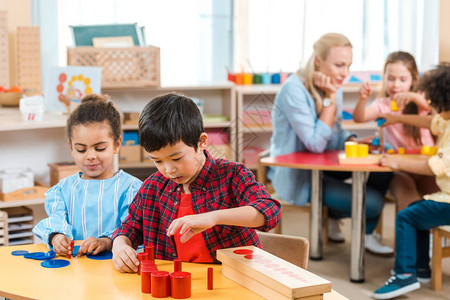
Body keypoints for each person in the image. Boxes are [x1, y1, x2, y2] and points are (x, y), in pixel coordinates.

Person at [111, 93, 281, 273]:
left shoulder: (232, 175)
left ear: (201, 142)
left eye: (176, 158)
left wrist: (214, 217)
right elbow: (130, 227)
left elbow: (270, 211)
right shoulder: (153, 187)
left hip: (233, 280)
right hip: (176, 285)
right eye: (158, 161)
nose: (169, 170)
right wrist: (120, 245)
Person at [268, 32, 393, 255]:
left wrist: (353, 141)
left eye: (348, 66)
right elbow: (315, 143)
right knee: (372, 203)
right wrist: (330, 99)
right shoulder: (293, 90)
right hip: (299, 176)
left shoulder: (333, 87)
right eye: (339, 65)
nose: (344, 73)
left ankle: (358, 228)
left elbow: (333, 135)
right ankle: (337, 215)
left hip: (324, 166)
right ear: (318, 60)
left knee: (383, 171)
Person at [374, 64, 450, 299]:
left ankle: (404, 275)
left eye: (436, 106)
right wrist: (395, 118)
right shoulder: (447, 119)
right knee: (417, 210)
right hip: (445, 198)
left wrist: (397, 163)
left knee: (406, 216)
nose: (435, 112)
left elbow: (432, 166)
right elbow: (431, 122)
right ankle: (420, 268)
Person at [33, 94, 142, 257]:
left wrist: (106, 241)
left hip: (116, 269)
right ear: (71, 147)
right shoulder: (63, 190)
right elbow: (57, 220)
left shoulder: (131, 188)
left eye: (100, 148)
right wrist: (57, 237)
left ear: (117, 144)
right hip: (75, 271)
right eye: (81, 149)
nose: (90, 156)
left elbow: (134, 228)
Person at [353, 51, 438, 211]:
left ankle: (433, 234)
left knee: (437, 195)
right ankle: (410, 231)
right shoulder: (382, 104)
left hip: (425, 165)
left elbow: (433, 109)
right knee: (408, 196)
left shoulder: (419, 102)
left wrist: (413, 97)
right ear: (384, 78)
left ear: (413, 80)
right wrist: (363, 99)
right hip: (399, 168)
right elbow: (360, 117)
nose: (396, 85)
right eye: (391, 79)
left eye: (403, 79)